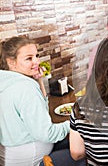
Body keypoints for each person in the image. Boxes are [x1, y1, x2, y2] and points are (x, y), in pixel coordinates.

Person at [0, 36, 85, 166]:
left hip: (11, 157)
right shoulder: (25, 87)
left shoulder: (6, 81)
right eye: (29, 58)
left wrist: (38, 79)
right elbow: (47, 134)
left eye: (36, 56)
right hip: (33, 160)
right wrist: (74, 123)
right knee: (88, 153)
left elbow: (41, 113)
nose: (36, 62)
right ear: (11, 62)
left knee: (76, 141)